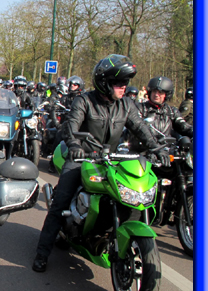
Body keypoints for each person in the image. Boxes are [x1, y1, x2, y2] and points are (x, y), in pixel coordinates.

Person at [32, 54, 169, 273]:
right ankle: (41, 254)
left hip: (111, 159)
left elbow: (141, 128)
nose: (123, 87)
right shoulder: (84, 101)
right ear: (104, 82)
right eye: (118, 83)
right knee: (60, 202)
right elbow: (71, 126)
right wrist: (74, 145)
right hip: (82, 158)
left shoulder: (126, 105)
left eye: (125, 83)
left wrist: (156, 148)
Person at [132, 76, 193, 148]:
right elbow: (136, 127)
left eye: (160, 92)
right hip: (143, 149)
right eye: (154, 91)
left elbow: (183, 126)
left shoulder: (172, 111)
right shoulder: (139, 108)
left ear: (166, 95)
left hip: (166, 149)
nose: (156, 95)